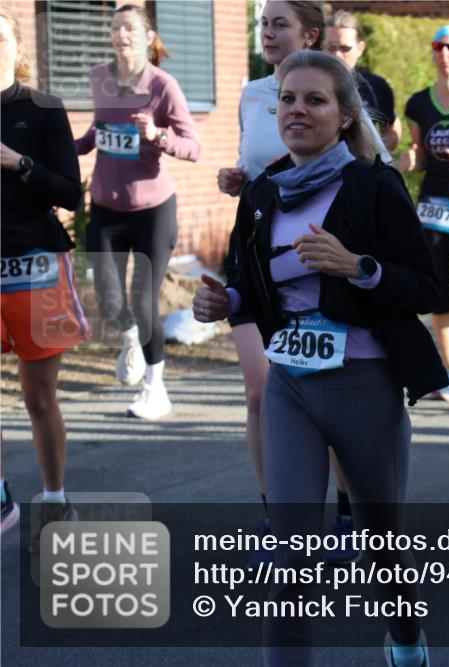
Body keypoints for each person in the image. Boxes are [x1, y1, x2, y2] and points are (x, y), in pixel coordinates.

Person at [194, 50, 445, 667]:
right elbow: (249, 283)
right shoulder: (262, 191)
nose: (297, 111)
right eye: (287, 99)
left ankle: (407, 638)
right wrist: (224, 300)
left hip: (366, 383)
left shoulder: (372, 184)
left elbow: (429, 286)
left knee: (382, 547)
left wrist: (360, 267)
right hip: (291, 386)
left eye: (315, 100)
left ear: (344, 115)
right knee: (292, 555)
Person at [217, 0, 367, 566]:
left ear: (310, 35)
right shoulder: (252, 94)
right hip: (255, 250)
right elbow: (253, 163)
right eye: (263, 23)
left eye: (280, 23)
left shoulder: (334, 88)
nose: (267, 32)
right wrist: (237, 178)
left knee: (322, 388)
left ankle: (349, 512)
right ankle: (278, 517)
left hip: (316, 253)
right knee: (260, 392)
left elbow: (367, 164)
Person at [75, 4, 201, 419]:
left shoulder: (163, 85)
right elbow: (100, 129)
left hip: (153, 212)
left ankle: (155, 388)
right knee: (110, 304)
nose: (120, 35)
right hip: (106, 209)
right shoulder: (99, 77)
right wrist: (71, 146)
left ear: (148, 37)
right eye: (115, 28)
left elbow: (193, 147)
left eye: (129, 28)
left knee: (143, 301)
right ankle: (131, 341)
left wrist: (158, 135)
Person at [0, 7, 87, 542]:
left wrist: (20, 164)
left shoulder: (44, 109)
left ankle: (55, 499)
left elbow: (71, 194)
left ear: (16, 48)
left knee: (37, 396)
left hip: (34, 265)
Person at [400, 25, 449, 402]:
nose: (444, 53)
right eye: (438, 46)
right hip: (433, 202)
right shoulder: (418, 104)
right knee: (437, 290)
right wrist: (411, 161)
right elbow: (419, 154)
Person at [324, 10, 401, 151]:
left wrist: (377, 153)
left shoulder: (376, 86)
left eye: (345, 48)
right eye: (331, 47)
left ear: (360, 49)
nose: (337, 54)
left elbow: (391, 129)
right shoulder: (307, 85)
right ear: (323, 47)